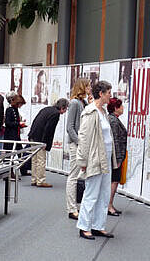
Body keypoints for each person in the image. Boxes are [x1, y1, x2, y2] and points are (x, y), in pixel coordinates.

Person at [76, 81, 117, 240]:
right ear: (101, 93)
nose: (110, 96)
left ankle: (98, 226)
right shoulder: (90, 112)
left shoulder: (103, 112)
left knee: (104, 193)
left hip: (105, 158)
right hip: (94, 158)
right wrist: (83, 162)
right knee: (92, 193)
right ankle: (84, 226)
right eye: (108, 93)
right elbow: (84, 138)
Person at [28, 98, 69, 187]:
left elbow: (35, 122)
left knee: (34, 160)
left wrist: (30, 135)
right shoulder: (55, 114)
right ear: (62, 107)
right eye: (66, 109)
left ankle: (34, 179)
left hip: (33, 135)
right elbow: (49, 130)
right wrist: (45, 142)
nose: (65, 111)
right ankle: (40, 180)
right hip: (40, 138)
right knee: (41, 160)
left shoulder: (46, 109)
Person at [65, 78, 90, 220]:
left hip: (82, 144)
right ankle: (71, 208)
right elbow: (70, 127)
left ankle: (76, 205)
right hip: (76, 144)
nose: (90, 88)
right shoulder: (74, 103)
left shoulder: (84, 103)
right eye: (88, 86)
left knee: (81, 175)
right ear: (82, 87)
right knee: (73, 175)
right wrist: (79, 142)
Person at [107, 97, 127, 216]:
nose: (123, 108)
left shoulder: (112, 119)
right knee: (114, 180)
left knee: (114, 180)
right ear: (116, 108)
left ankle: (109, 204)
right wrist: (118, 159)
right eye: (121, 106)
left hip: (116, 156)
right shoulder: (113, 121)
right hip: (115, 157)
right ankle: (109, 205)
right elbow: (115, 141)